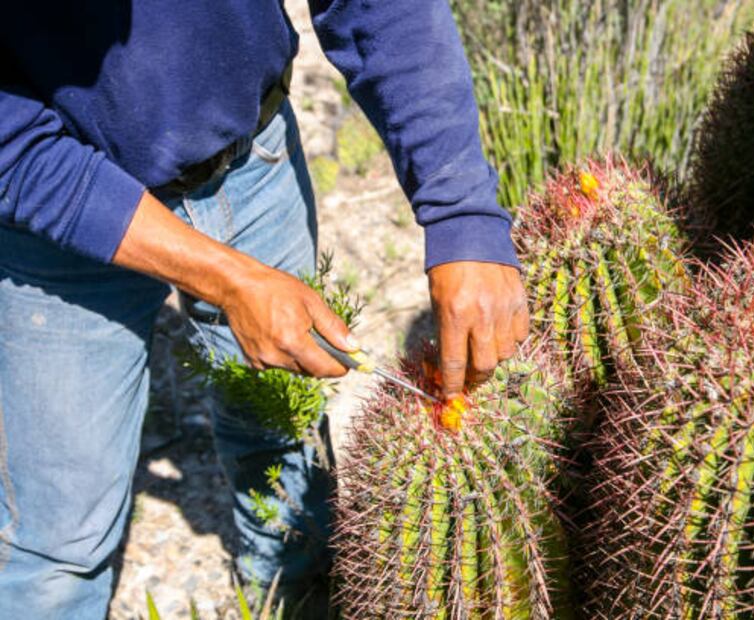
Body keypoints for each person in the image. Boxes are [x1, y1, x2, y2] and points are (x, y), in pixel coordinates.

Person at [0, 1, 529, 617]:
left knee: (283, 437)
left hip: (250, 153)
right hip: (57, 223)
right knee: (59, 543)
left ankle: (296, 598)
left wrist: (461, 212)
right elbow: (11, 145)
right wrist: (228, 279)